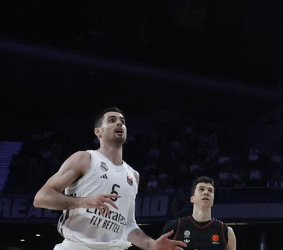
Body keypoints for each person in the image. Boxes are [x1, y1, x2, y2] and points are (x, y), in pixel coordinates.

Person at [33, 107, 186, 250]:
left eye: (122, 121)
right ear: (98, 132)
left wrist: (152, 245)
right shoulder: (84, 158)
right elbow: (41, 198)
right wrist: (82, 201)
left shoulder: (133, 175)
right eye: (112, 120)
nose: (119, 123)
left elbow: (127, 225)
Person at [162, 176, 235, 250]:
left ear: (213, 201)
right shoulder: (174, 227)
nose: (206, 192)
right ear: (192, 199)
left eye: (210, 190)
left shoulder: (226, 231)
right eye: (201, 189)